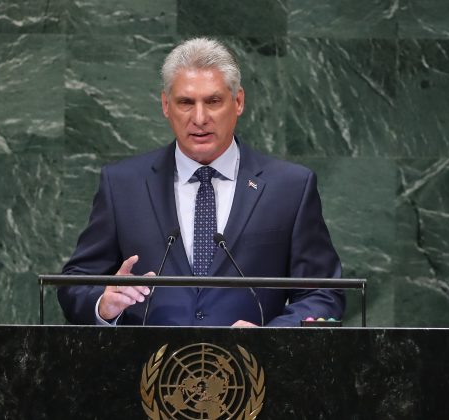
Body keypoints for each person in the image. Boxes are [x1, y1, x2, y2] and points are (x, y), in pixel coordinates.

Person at [58, 37, 344, 327]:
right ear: (166, 105)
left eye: (213, 101)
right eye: (185, 102)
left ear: (239, 101)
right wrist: (104, 305)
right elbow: (75, 283)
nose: (199, 117)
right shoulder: (122, 185)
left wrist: (269, 339)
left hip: (253, 369)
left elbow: (322, 292)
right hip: (145, 368)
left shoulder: (290, 187)